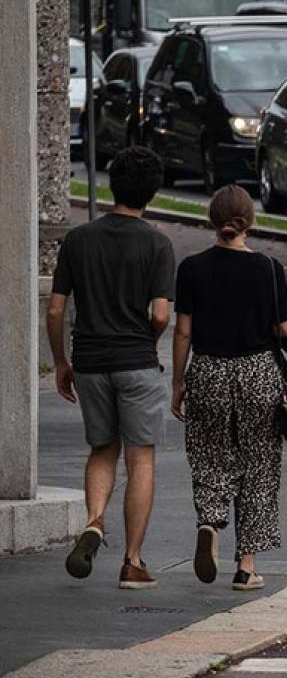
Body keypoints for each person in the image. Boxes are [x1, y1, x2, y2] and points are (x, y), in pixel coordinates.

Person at [49, 146, 175, 589]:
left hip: (89, 360)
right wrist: (148, 341)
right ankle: (133, 562)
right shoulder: (157, 243)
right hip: (137, 361)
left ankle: (95, 520)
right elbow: (161, 314)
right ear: (152, 193)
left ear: (111, 185)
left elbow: (56, 308)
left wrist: (62, 361)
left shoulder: (79, 240)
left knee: (102, 448)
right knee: (140, 459)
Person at [171, 186, 287, 591]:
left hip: (208, 370)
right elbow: (286, 329)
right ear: (250, 220)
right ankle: (246, 568)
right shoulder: (267, 268)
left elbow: (183, 331)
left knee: (209, 454)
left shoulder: (191, 268)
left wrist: (179, 381)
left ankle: (209, 521)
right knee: (259, 467)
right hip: (258, 372)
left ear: (212, 219)